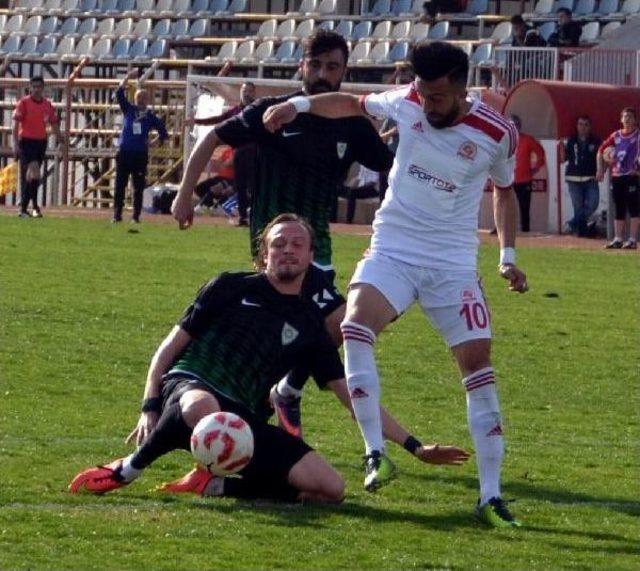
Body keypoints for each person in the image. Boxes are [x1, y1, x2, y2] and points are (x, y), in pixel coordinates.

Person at [263, 41, 529, 528]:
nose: (428, 105)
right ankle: (374, 453)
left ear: (461, 88)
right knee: (356, 326)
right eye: (424, 95)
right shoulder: (406, 100)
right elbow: (348, 102)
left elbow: (505, 192)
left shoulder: (497, 132)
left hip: (452, 264)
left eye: (439, 97)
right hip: (394, 250)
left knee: (478, 366)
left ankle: (490, 495)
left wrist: (507, 256)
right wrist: (296, 104)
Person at [68, 214, 470, 501]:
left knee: (329, 489)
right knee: (204, 407)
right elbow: (169, 348)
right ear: (264, 255)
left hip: (243, 419)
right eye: (278, 244)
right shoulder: (227, 286)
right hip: (190, 385)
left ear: (311, 256)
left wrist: (415, 447)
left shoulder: (312, 327)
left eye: (297, 244)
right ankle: (128, 469)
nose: (288, 251)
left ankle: (216, 483)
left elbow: (353, 396)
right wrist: (149, 404)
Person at [173, 30, 394, 437]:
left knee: (327, 328)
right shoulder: (271, 112)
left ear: (344, 72)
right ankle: (284, 394)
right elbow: (211, 138)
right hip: (277, 248)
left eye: (333, 67)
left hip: (317, 248)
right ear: (301, 66)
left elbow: (390, 167)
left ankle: (281, 389)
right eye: (317, 65)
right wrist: (184, 194)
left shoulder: (353, 125)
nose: (324, 74)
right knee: (343, 322)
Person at [113, 69, 168, 224]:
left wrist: (153, 142)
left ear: (148, 100)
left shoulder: (150, 116)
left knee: (138, 187)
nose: (142, 100)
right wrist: (127, 78)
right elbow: (118, 93)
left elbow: (163, 132)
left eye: (144, 98)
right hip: (124, 152)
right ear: (135, 99)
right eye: (139, 97)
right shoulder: (129, 109)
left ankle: (136, 216)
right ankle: (117, 214)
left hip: (139, 154)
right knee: (120, 185)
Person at [12, 75, 62, 218]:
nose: (36, 89)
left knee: (30, 177)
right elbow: (15, 124)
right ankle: (33, 207)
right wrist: (15, 143)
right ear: (30, 88)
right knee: (35, 173)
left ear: (43, 88)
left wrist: (61, 139)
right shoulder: (24, 103)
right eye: (34, 87)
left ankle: (25, 208)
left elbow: (53, 123)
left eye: (39, 86)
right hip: (27, 142)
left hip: (41, 142)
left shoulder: (47, 104)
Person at [597, 107, 640, 250]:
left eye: (630, 117)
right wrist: (600, 169)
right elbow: (601, 150)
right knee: (619, 206)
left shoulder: (638, 136)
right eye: (625, 117)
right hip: (617, 175)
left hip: (631, 175)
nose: (627, 119)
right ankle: (618, 239)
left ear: (635, 120)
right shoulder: (615, 136)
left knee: (634, 207)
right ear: (621, 119)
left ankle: (633, 239)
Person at [562, 115, 601, 237]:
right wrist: (561, 148)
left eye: (585, 124)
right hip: (573, 178)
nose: (582, 127)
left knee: (593, 204)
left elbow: (601, 158)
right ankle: (582, 235)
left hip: (590, 178)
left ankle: (572, 224)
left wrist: (600, 170)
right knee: (578, 208)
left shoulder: (596, 141)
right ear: (576, 126)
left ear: (590, 127)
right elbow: (563, 159)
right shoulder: (571, 140)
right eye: (580, 124)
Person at [511, 115, 546, 232]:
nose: (514, 128)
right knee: (502, 205)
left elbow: (540, 153)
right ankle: (500, 228)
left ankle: (525, 232)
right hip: (507, 179)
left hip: (524, 180)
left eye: (516, 125)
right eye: (511, 125)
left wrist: (536, 168)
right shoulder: (504, 139)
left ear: (519, 127)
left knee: (524, 208)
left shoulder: (527, 140)